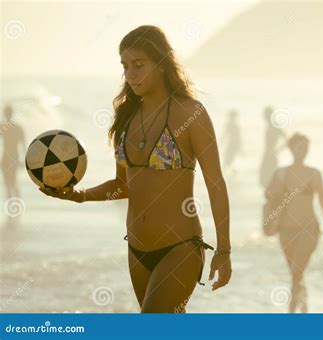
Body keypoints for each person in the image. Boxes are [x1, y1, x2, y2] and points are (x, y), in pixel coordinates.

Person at [39, 25, 232, 313]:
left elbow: (215, 183)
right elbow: (123, 185)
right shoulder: (127, 116)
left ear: (163, 64)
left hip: (179, 247)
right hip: (137, 252)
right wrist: (77, 195)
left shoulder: (190, 113)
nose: (130, 74)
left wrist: (224, 250)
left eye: (139, 65)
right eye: (125, 66)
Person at [265, 133, 323, 313]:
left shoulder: (314, 173)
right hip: (286, 230)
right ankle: (303, 303)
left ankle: (292, 313)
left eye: (305, 147)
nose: (302, 151)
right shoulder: (281, 173)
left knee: (296, 272)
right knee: (296, 272)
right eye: (298, 147)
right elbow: (269, 197)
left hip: (309, 229)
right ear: (291, 149)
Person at [0, 105, 25, 201]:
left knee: (8, 183)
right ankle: (16, 203)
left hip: (7, 157)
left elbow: (23, 144)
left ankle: (12, 204)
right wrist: (23, 160)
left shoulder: (2, 126)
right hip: (14, 157)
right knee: (13, 182)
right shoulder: (18, 127)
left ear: (5, 114)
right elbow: (23, 145)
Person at [259, 106, 286, 189]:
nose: (264, 117)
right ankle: (271, 197)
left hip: (271, 154)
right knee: (265, 177)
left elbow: (286, 138)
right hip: (268, 153)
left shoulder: (274, 125)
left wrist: (278, 150)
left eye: (266, 115)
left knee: (267, 177)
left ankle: (273, 197)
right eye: (264, 115)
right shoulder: (270, 125)